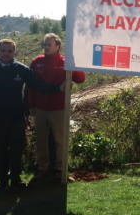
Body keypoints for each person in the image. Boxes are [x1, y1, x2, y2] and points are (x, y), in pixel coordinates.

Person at [0, 39, 64, 188]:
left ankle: (16, 179)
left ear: (14, 53)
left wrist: (58, 87)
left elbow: (37, 85)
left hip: (17, 118)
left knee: (16, 150)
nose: (6, 54)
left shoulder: (22, 69)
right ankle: (2, 180)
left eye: (9, 51)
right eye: (3, 50)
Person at [28, 33, 85, 180]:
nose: (46, 47)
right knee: (40, 140)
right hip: (40, 108)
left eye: (49, 45)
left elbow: (80, 79)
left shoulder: (65, 62)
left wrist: (74, 62)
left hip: (59, 109)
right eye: (45, 44)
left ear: (57, 47)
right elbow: (31, 87)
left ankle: (61, 169)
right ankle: (42, 169)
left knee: (61, 141)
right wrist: (31, 105)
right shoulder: (37, 62)